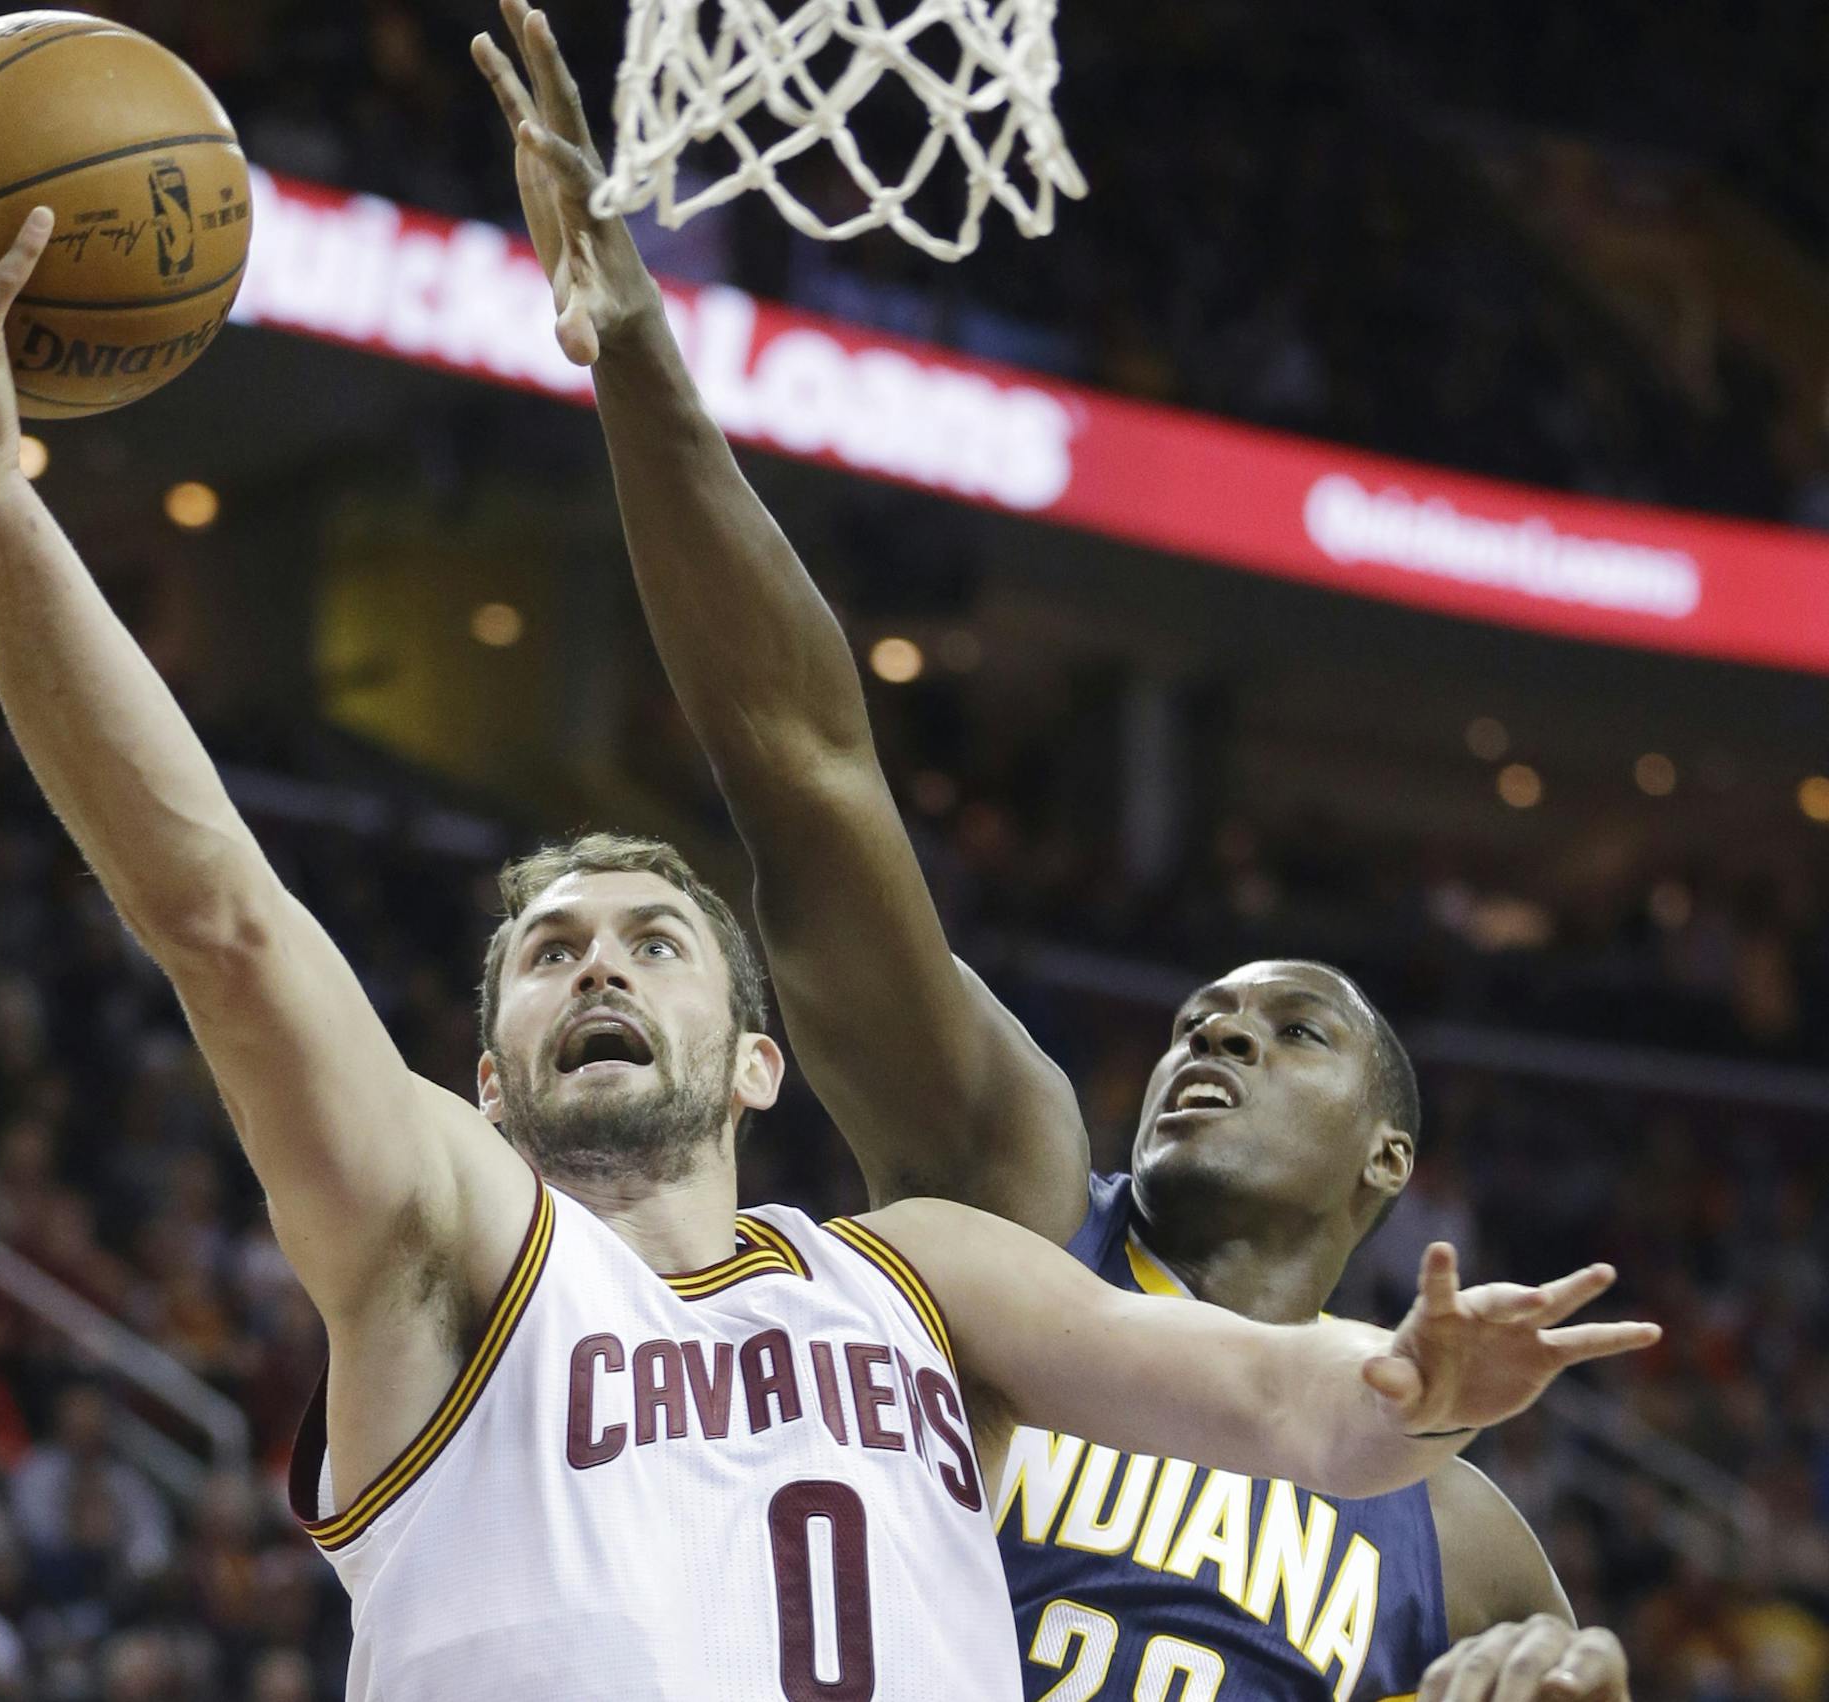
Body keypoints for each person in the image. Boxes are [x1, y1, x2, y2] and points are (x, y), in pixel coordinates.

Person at [0, 70, 1652, 1702]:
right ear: (487, 1076)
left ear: (762, 1059)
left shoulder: (922, 1275)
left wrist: (1400, 1394)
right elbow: (220, 915)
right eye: (542, 954)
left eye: (654, 938)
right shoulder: (444, 1249)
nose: (595, 966)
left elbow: (1283, 1402)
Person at [474, 5, 1639, 1700]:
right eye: (1203, 1017)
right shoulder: (1008, 1194)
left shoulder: (1461, 1537)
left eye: (1290, 1025)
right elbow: (804, 772)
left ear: (1390, 1160)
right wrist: (639, 356)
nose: (1214, 1033)